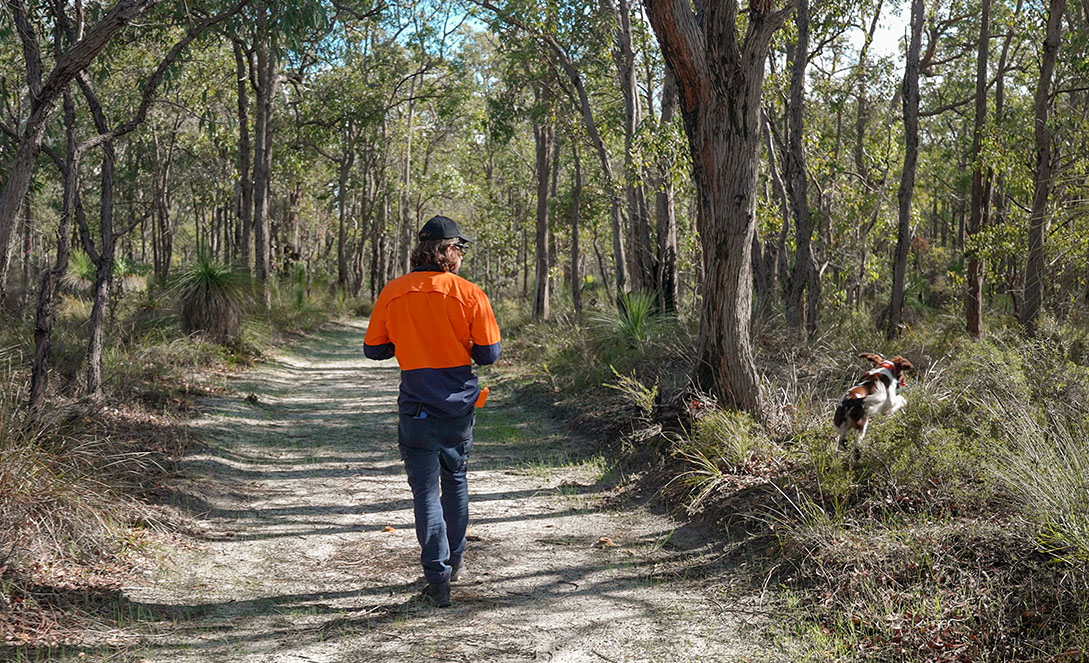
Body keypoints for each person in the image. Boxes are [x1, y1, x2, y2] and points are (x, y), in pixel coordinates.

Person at [363, 215, 501, 607]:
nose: (461, 255)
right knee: (454, 480)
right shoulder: (470, 293)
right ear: (447, 251)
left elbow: (374, 348)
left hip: (416, 407)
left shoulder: (394, 291)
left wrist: (406, 340)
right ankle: (453, 563)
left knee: (425, 491)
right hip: (458, 405)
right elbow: (488, 354)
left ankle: (436, 577)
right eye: (460, 248)